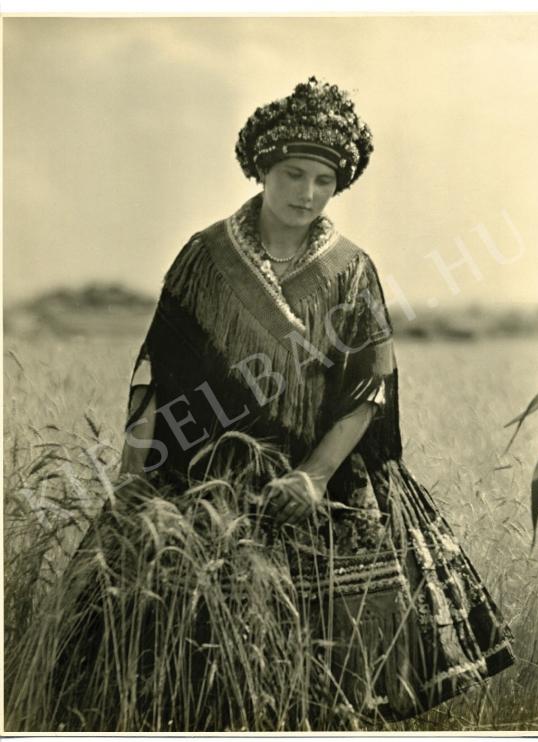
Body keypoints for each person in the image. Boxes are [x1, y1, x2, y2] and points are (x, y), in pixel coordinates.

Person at [119, 77, 514, 724]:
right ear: (261, 171)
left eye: (323, 181)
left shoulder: (352, 268)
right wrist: (132, 476)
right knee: (189, 676)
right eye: (292, 174)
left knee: (327, 688)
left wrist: (314, 476)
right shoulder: (203, 258)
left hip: (320, 479)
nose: (306, 194)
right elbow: (156, 374)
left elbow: (369, 387)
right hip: (207, 479)